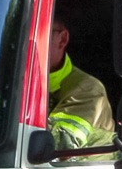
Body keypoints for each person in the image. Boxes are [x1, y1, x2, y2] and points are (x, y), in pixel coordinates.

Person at [47, 16, 114, 151]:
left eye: (35, 33)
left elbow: (58, 145)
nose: (24, 43)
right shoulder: (12, 83)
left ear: (62, 39)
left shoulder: (88, 89)